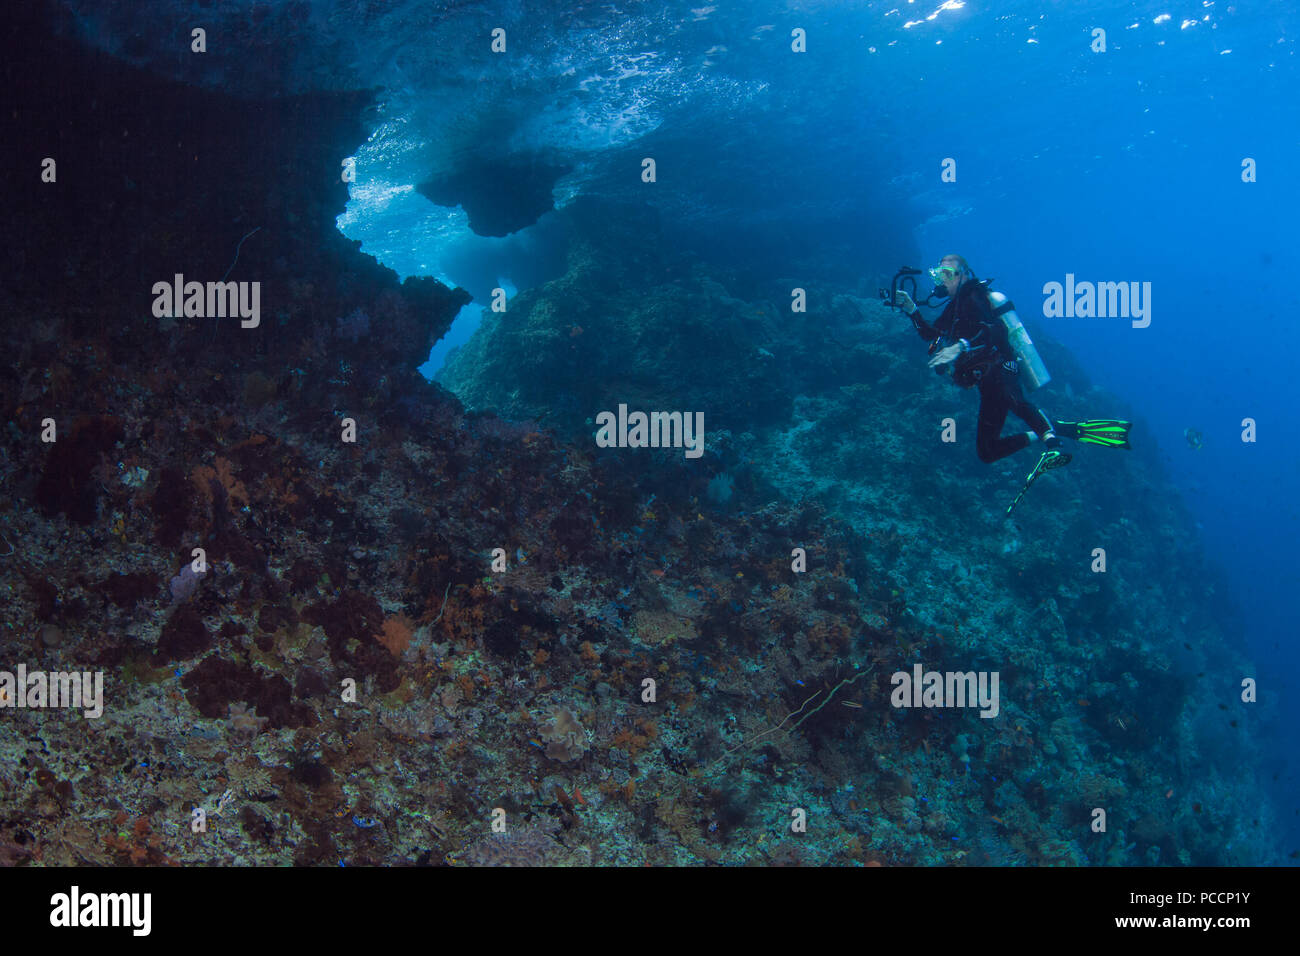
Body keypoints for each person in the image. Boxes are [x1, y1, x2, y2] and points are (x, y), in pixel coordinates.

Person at [895, 254, 1131, 480]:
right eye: (937, 274)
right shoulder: (953, 308)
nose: (941, 280)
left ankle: (1053, 445)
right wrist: (912, 311)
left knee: (1014, 400)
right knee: (987, 452)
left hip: (1003, 367)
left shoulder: (976, 297)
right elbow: (931, 335)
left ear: (964, 275)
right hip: (985, 381)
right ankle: (1052, 430)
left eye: (947, 273)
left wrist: (961, 347)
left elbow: (997, 331)